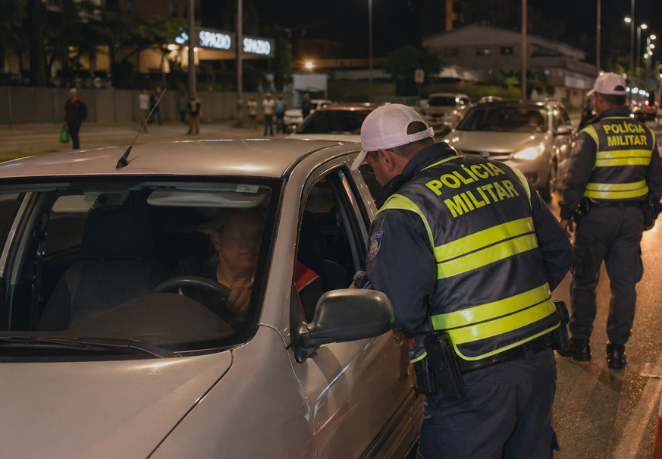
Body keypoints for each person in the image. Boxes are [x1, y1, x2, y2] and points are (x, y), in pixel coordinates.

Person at [351, 104, 574, 458]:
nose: (374, 175)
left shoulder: (404, 209)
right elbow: (560, 254)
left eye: (372, 165)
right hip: (538, 363)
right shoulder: (507, 175)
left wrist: (369, 288)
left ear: (386, 158)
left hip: (471, 379)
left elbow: (404, 312)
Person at [557, 73, 662, 368]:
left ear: (601, 99)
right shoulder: (646, 134)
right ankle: (616, 350)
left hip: (595, 220)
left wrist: (565, 215)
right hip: (630, 220)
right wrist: (648, 217)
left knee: (584, 282)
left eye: (594, 98)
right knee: (624, 284)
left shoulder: (592, 134)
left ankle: (580, 345)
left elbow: (575, 180)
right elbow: (657, 183)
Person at [175, 208, 323, 327]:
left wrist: (261, 308)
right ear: (217, 239)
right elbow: (170, 322)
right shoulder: (191, 275)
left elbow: (307, 335)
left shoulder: (294, 279)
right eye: (241, 234)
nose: (251, 242)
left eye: (259, 235)